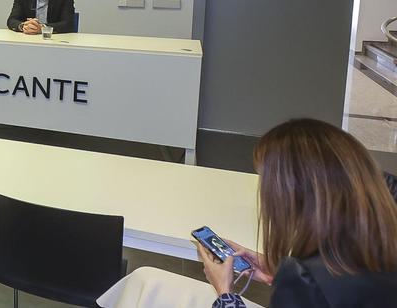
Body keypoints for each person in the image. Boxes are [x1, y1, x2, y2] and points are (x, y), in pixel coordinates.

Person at [101, 119, 397, 308]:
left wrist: (225, 292)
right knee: (146, 280)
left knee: (146, 288)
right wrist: (275, 268)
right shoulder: (381, 223)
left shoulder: (305, 281)